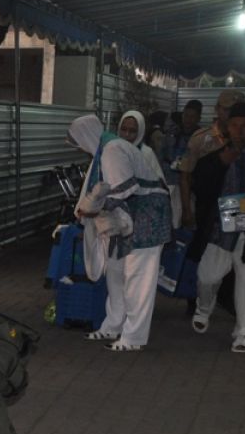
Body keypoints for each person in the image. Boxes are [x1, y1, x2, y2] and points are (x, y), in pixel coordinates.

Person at [186, 102, 245, 353]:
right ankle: (204, 306)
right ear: (227, 128)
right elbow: (199, 188)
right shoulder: (213, 158)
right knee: (207, 277)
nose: (240, 131)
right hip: (220, 225)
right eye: (235, 126)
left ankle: (243, 333)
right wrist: (221, 163)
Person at [69, 114, 171, 352]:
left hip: (147, 219)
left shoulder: (112, 149)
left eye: (80, 142)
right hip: (128, 218)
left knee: (138, 278)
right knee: (115, 272)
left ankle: (134, 337)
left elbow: (123, 190)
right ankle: (113, 326)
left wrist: (94, 209)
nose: (81, 149)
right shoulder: (106, 149)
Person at [180, 90, 244, 228]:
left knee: (232, 245)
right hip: (205, 202)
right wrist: (186, 210)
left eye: (236, 110)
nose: (231, 114)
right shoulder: (201, 138)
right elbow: (185, 176)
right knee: (204, 245)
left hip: (236, 202)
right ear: (217, 109)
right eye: (227, 109)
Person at [160, 99, 203, 228]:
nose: (188, 120)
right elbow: (161, 155)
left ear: (198, 118)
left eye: (192, 117)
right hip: (168, 183)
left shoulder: (201, 138)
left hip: (188, 187)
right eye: (186, 115)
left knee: (185, 221)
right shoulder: (171, 133)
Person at [118, 109, 167, 194]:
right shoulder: (112, 150)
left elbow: (159, 183)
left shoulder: (146, 153)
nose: (127, 134)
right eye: (123, 129)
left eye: (132, 131)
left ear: (140, 132)